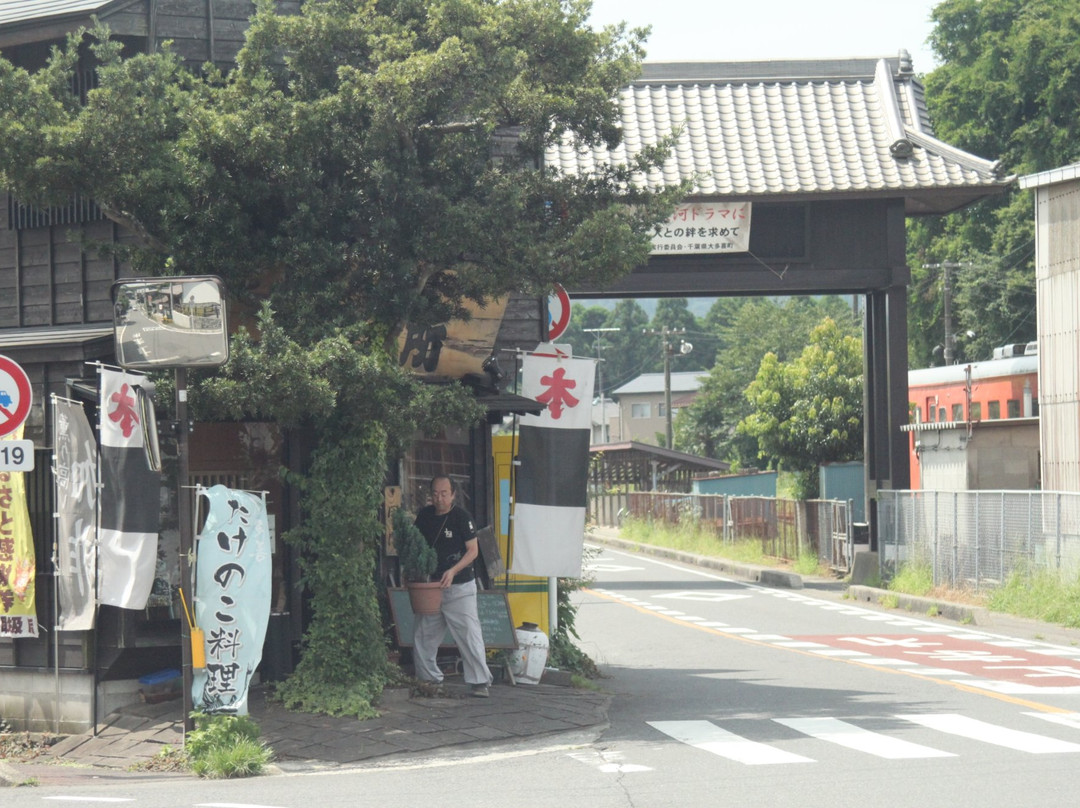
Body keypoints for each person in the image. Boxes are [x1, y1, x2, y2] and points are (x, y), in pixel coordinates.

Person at [412, 475, 493, 697]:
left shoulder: (462, 517)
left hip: (460, 586)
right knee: (424, 634)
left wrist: (453, 570)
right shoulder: (424, 516)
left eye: (444, 493)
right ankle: (428, 678)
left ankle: (479, 681)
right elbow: (414, 544)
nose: (439, 498)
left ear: (453, 494)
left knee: (469, 633)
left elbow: (473, 551)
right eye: (435, 494)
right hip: (432, 586)